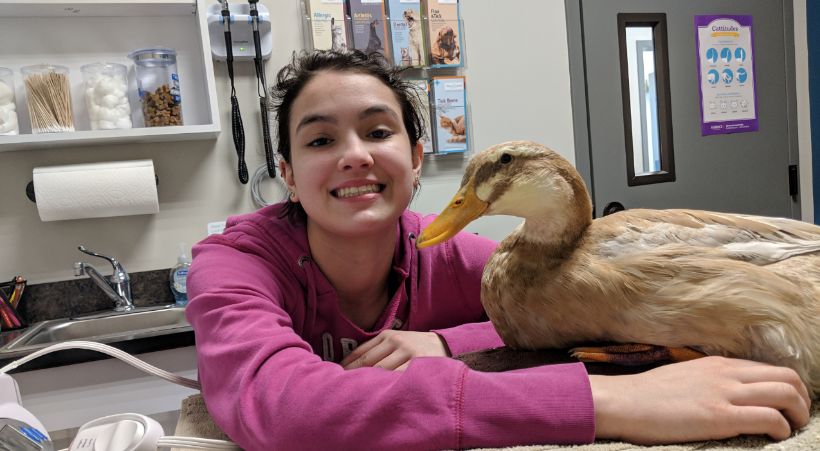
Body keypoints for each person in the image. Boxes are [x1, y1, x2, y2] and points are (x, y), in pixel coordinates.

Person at [185, 49, 811, 451]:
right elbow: (286, 408)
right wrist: (605, 402)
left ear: (416, 158)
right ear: (287, 173)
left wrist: (445, 342)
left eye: (379, 132)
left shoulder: (460, 258)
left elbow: (556, 316)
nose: (355, 154)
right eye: (320, 140)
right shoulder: (234, 267)